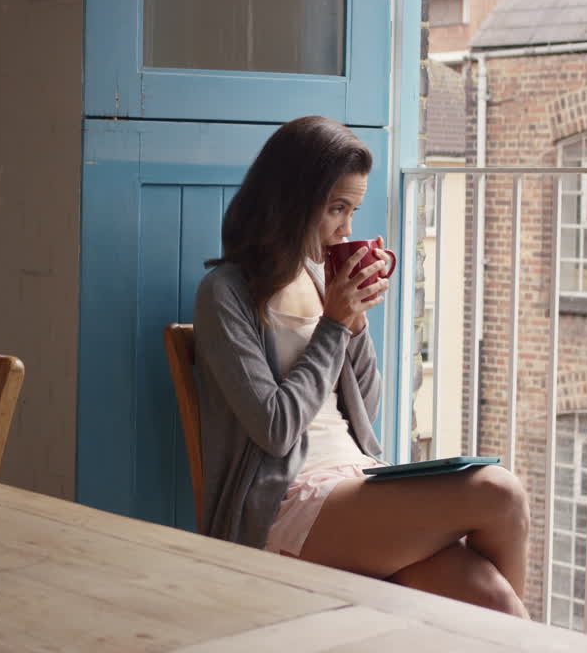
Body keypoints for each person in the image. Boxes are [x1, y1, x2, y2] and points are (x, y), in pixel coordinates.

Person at [193, 115, 531, 618]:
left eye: (353, 210)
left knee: (498, 602)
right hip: (283, 502)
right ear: (291, 201)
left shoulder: (317, 278)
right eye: (336, 209)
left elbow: (365, 410)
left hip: (357, 480)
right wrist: (332, 324)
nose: (347, 228)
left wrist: (355, 323)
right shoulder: (226, 293)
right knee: (498, 491)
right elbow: (277, 429)